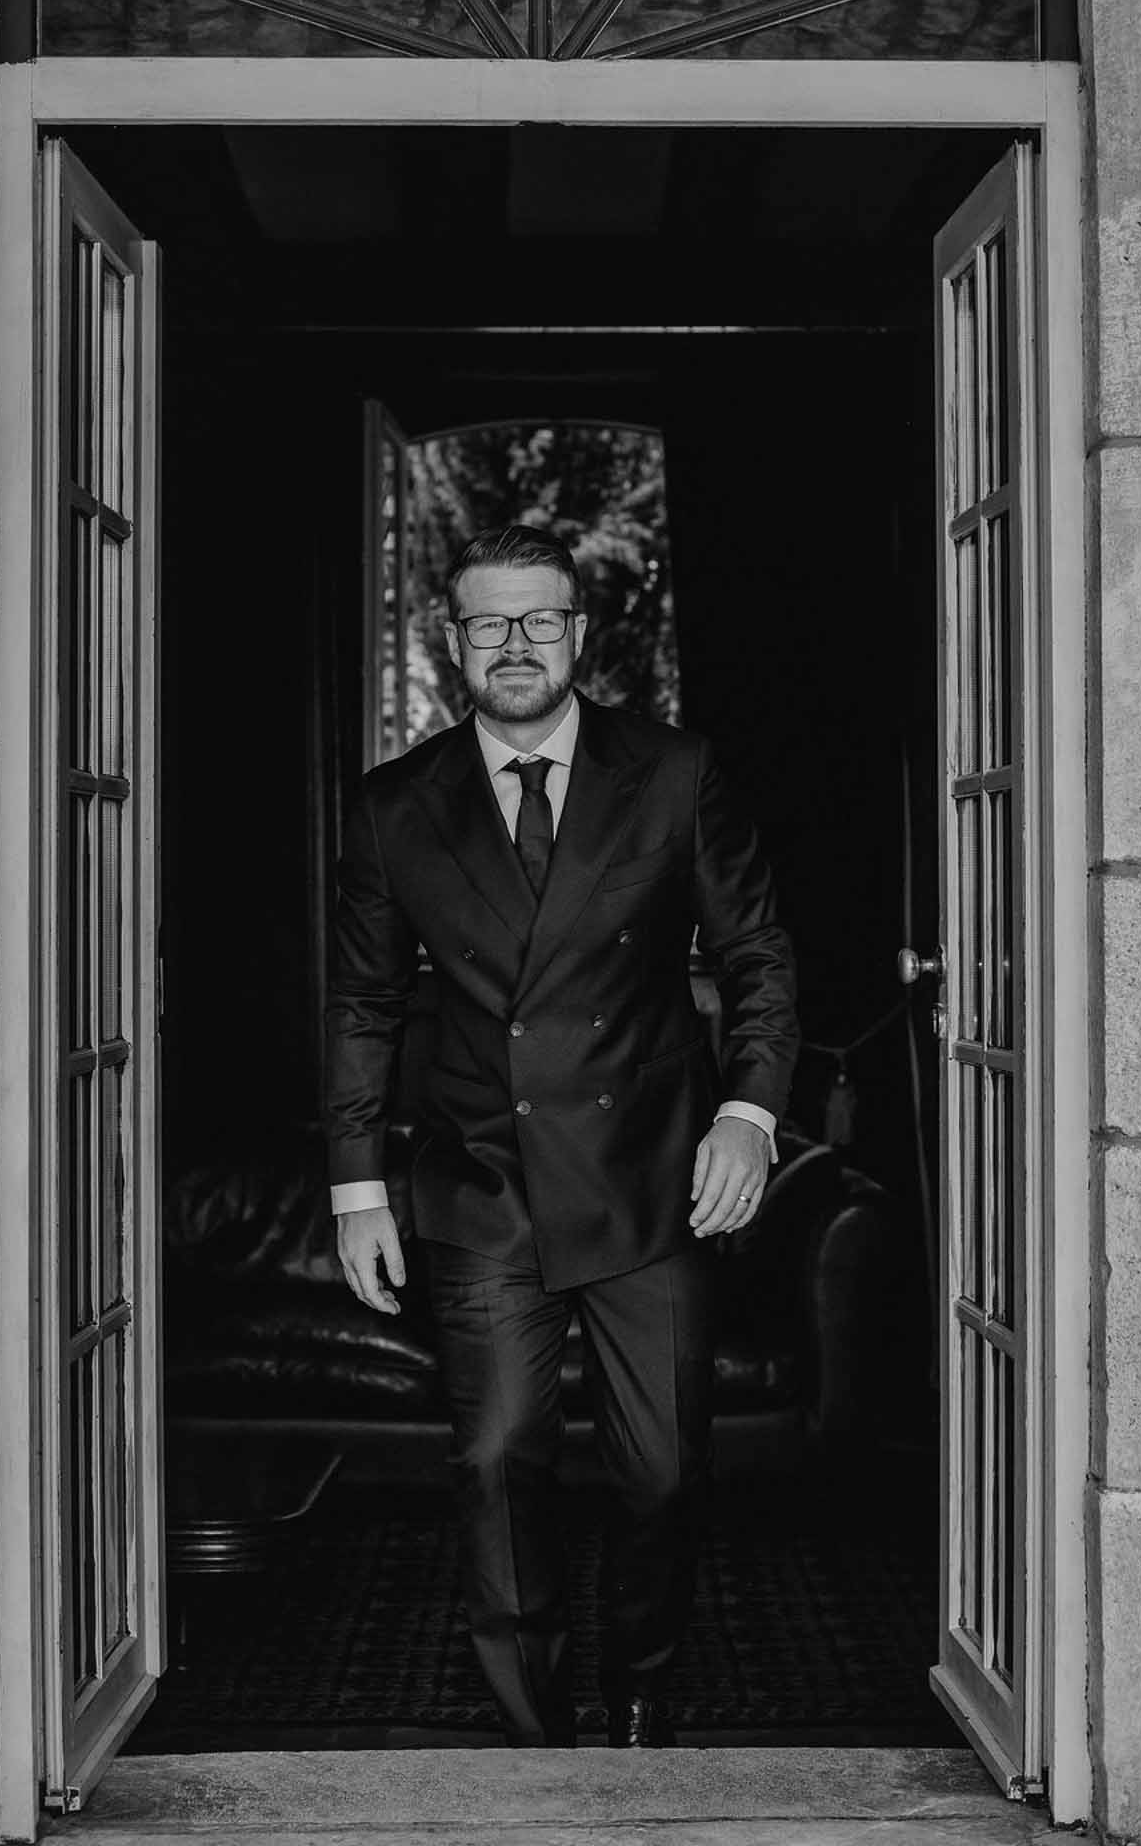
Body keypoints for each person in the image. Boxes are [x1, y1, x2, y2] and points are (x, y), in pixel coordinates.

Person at [325, 524, 799, 1748]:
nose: (517, 644)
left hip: (652, 1172)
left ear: (582, 635)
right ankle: (534, 1735)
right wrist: (357, 1189)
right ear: (454, 641)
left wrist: (747, 1117)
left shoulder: (676, 771)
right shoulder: (393, 808)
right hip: (483, 1176)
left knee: (667, 1473)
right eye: (491, 621)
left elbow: (756, 958)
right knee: (496, 1460)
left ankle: (643, 1685)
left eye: (541, 619)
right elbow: (366, 1004)